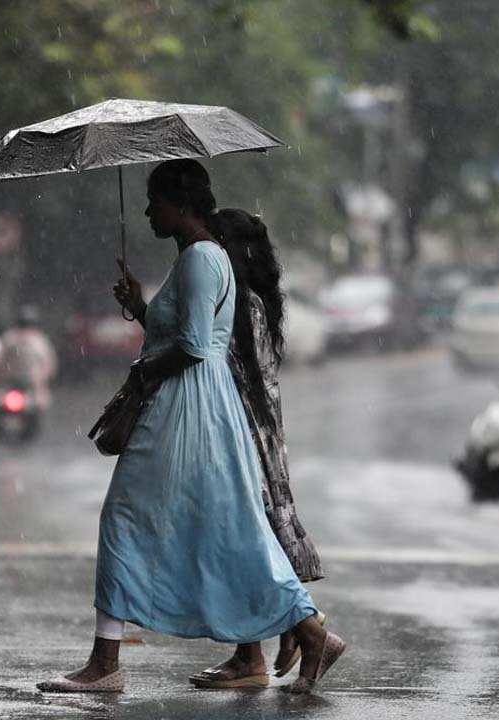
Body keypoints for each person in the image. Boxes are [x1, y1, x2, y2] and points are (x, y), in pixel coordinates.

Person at [37, 160, 345, 695]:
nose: (148, 211)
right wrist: (140, 306)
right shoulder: (202, 258)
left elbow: (196, 347)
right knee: (228, 529)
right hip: (197, 406)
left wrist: (142, 372)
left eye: (155, 200)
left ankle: (104, 665)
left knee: (126, 518)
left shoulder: (202, 259)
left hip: (186, 409)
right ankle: (310, 630)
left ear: (181, 203)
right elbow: (180, 332)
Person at [188, 208, 326, 689]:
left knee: (244, 539)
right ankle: (270, 641)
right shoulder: (260, 301)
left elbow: (204, 355)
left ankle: (292, 634)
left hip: (240, 435)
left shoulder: (239, 302)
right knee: (248, 539)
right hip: (258, 434)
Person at [0, 305, 58, 408]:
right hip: (22, 387)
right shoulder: (40, 340)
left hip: (18, 386)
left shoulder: (9, 338)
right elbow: (50, 366)